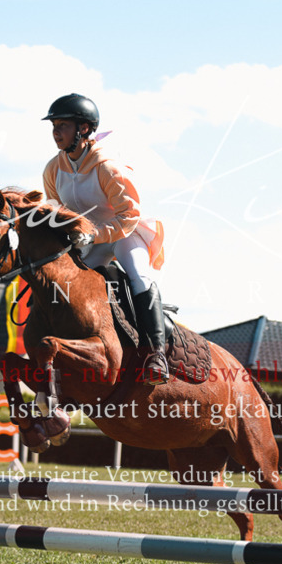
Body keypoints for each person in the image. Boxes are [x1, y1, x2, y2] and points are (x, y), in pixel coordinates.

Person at [41, 93, 169, 384]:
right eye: (54, 126)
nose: (56, 132)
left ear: (84, 129)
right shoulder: (53, 168)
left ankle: (156, 354)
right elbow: (54, 212)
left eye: (63, 126)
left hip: (124, 233)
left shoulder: (107, 166)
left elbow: (129, 214)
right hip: (88, 241)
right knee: (67, 285)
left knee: (139, 277)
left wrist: (93, 234)